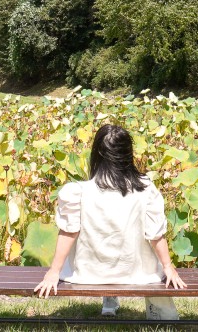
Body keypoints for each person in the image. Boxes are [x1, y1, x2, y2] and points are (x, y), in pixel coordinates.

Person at [33, 123, 186, 320]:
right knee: (147, 257)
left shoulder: (78, 192)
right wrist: (168, 267)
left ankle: (110, 299)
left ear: (96, 154)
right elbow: (156, 234)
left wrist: (53, 272)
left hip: (90, 273)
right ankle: (161, 315)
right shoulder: (146, 189)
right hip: (136, 272)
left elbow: (68, 232)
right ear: (128, 154)